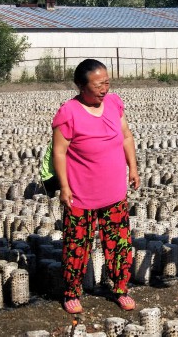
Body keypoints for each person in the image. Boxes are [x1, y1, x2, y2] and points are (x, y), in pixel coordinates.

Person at [52, 59, 140, 314]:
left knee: (119, 244)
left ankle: (121, 288)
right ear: (81, 85)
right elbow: (59, 152)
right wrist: (64, 187)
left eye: (107, 83)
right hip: (81, 194)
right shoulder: (68, 112)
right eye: (99, 84)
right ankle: (71, 292)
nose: (104, 89)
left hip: (114, 192)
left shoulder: (113, 104)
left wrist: (132, 167)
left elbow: (126, 136)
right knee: (77, 246)